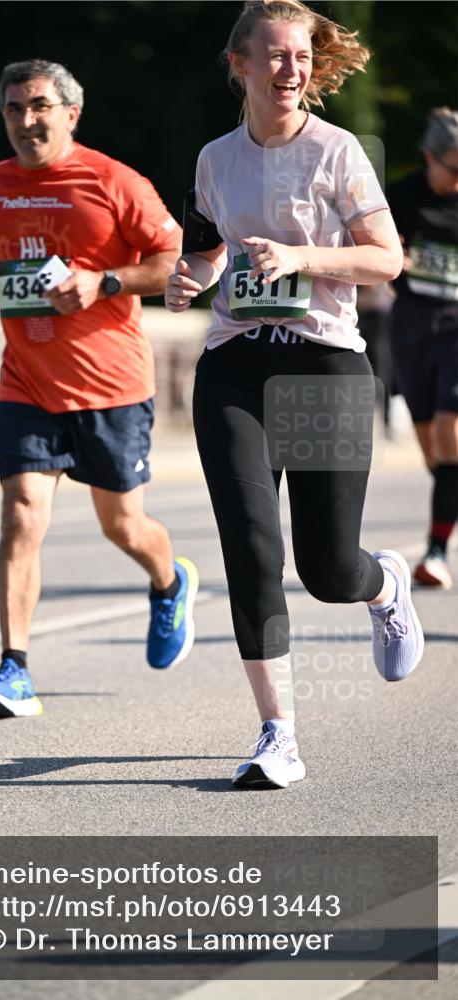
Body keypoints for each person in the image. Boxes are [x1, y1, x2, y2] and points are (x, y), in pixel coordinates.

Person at [165, 0, 424, 789]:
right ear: (238, 64)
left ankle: (381, 584)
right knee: (250, 548)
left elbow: (386, 259)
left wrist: (301, 257)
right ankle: (276, 733)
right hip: (235, 365)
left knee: (324, 570)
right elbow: (207, 251)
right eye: (274, 56)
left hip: (322, 365)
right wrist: (191, 278)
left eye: (301, 56)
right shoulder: (214, 159)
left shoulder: (336, 152)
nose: (291, 69)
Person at [0, 59, 199, 719]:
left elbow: (174, 262)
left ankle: (170, 581)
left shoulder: (113, 181)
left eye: (38, 107)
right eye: (12, 109)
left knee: (123, 527)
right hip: (27, 380)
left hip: (110, 383)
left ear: (70, 112)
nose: (25, 122)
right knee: (22, 514)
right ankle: (13, 669)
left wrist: (103, 282)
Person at [386, 108, 458, 589]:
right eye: (453, 169)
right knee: (434, 453)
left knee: (451, 431)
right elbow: (376, 252)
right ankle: (445, 515)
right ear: (429, 157)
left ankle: (435, 551)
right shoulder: (402, 196)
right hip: (412, 328)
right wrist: (395, 258)